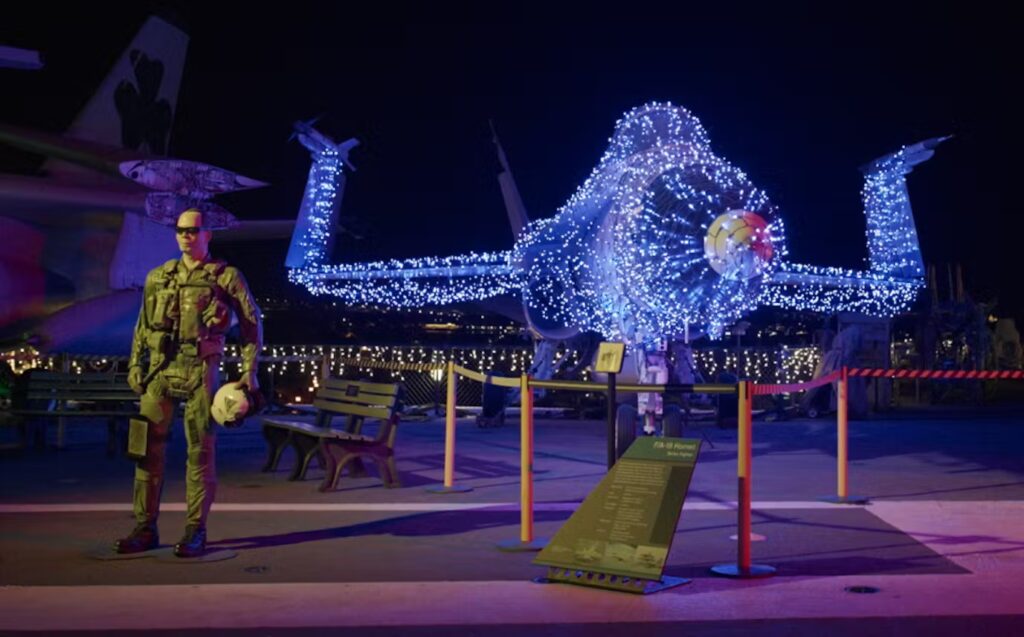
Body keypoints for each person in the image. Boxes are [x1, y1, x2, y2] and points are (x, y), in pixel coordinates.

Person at [113, 208, 262, 558]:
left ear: (207, 234)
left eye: (193, 231)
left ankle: (196, 529)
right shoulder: (159, 277)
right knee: (147, 452)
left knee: (200, 454)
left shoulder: (226, 277)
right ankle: (144, 527)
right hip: (160, 371)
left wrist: (249, 370)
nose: (186, 236)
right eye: (181, 230)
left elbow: (253, 324)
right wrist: (135, 364)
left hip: (201, 371)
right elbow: (143, 326)